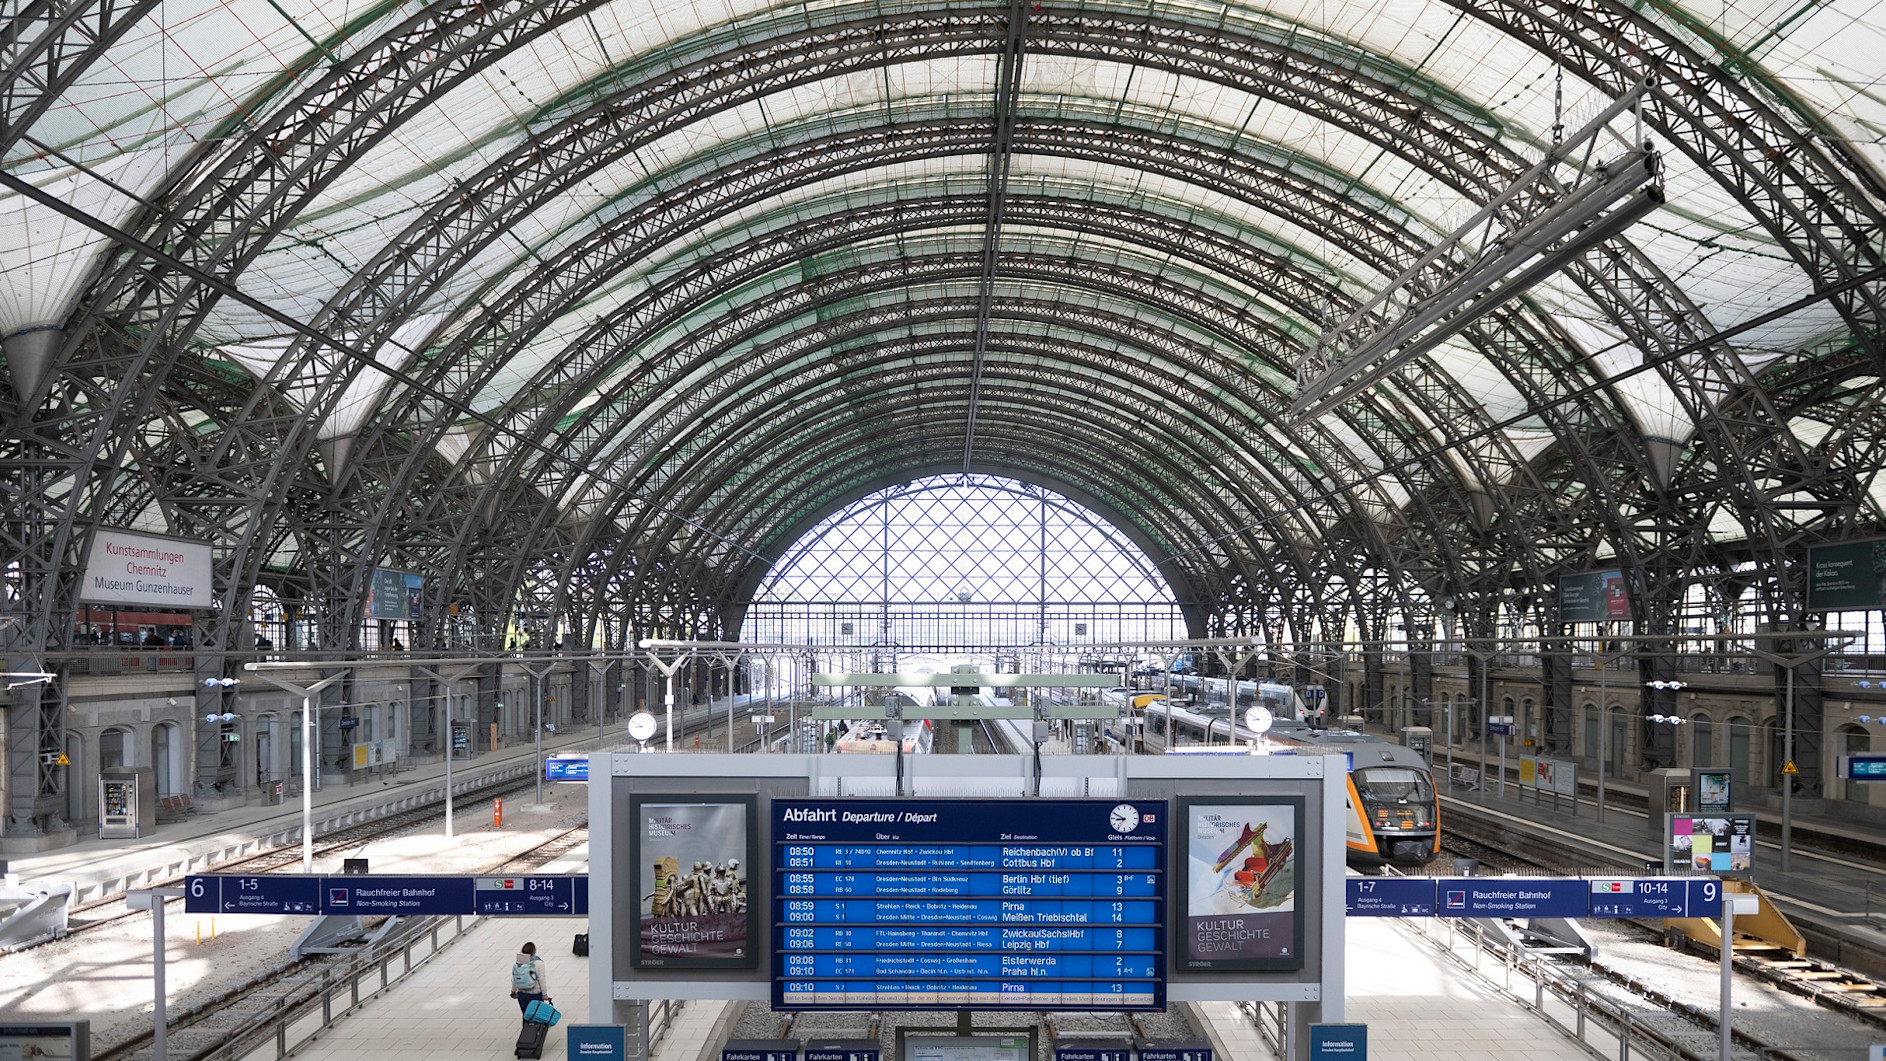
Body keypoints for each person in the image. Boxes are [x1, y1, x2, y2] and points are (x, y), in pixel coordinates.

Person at [509, 941, 549, 1015]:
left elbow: (515, 978)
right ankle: (537, 1027)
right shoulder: (538, 963)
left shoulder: (518, 963)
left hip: (522, 993)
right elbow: (541, 979)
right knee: (537, 1014)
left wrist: (513, 991)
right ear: (534, 951)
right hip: (536, 993)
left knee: (526, 1015)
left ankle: (526, 1026)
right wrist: (544, 994)